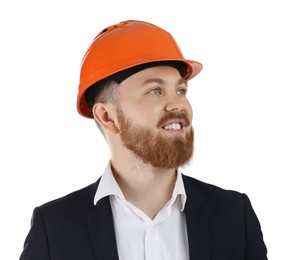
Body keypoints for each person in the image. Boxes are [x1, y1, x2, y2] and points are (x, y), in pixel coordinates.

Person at [20, 20, 267, 260]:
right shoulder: (54, 228)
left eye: (181, 90)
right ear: (107, 116)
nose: (178, 104)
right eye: (155, 91)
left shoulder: (234, 215)